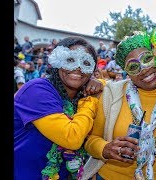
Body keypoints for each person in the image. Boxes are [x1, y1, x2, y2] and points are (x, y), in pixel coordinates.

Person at [82, 29, 156, 180]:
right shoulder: (110, 94)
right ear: (127, 73)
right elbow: (90, 139)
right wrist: (105, 149)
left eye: (147, 59)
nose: (144, 69)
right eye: (133, 67)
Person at [14, 36, 105, 180]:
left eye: (86, 63)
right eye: (70, 60)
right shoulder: (36, 90)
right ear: (56, 61)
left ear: (92, 71)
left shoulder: (78, 97)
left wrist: (98, 84)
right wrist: (90, 99)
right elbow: (71, 137)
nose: (78, 68)